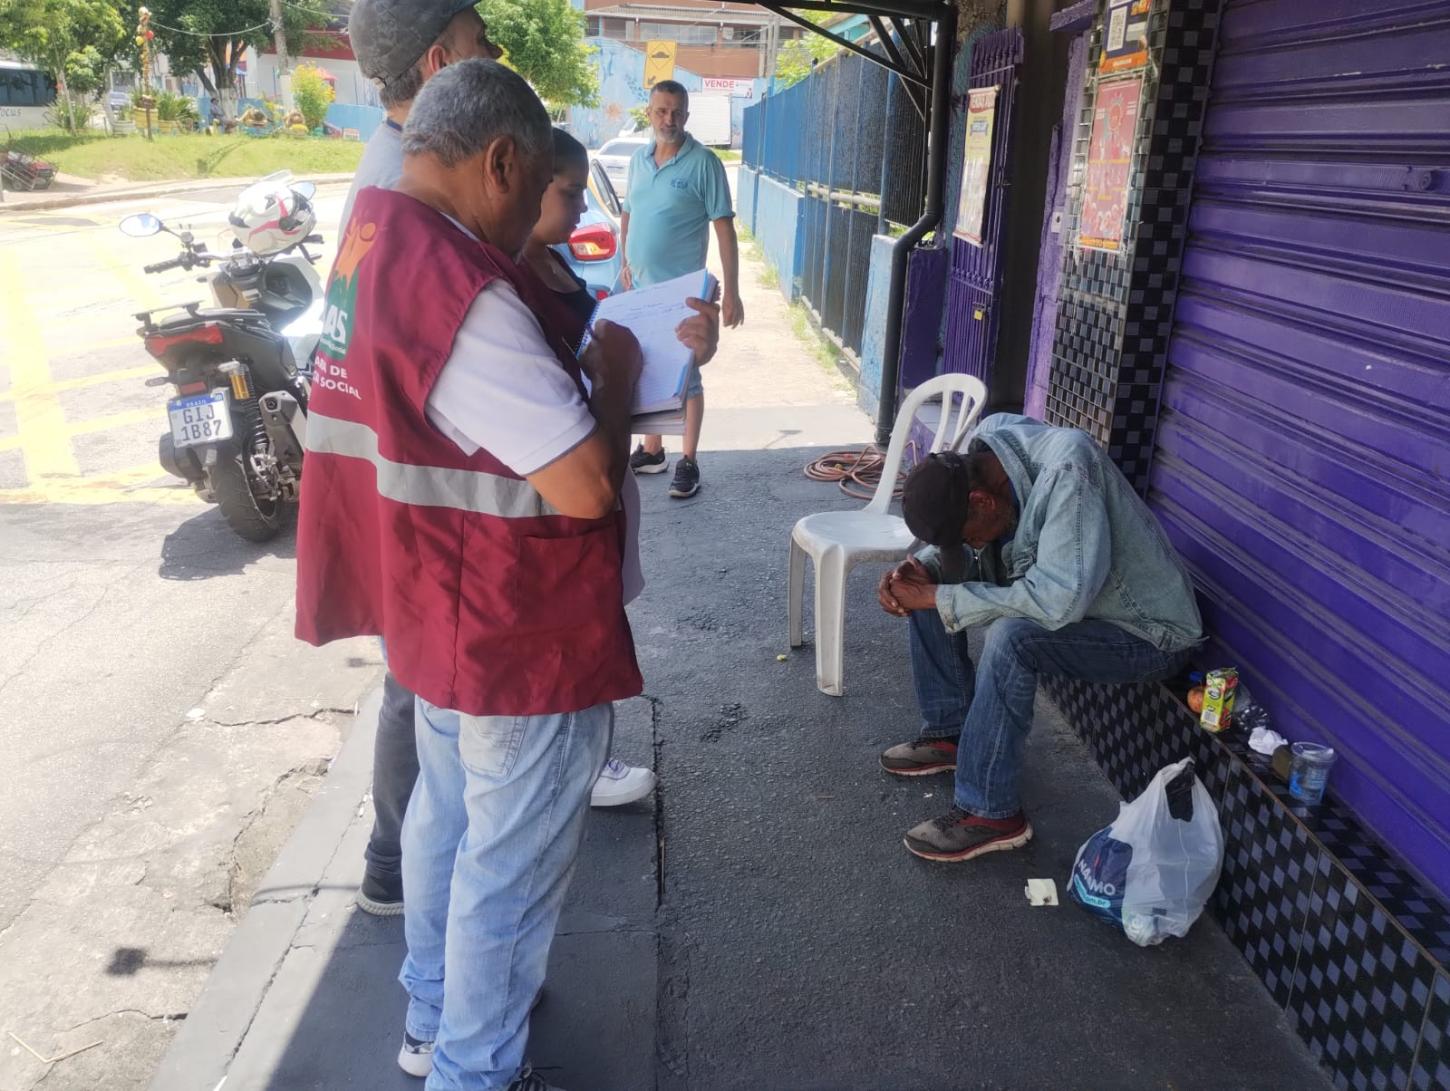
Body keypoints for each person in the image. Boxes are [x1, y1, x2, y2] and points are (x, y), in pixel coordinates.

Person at [341, 0, 650, 921]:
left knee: (448, 822)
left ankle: (438, 1025)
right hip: (503, 613)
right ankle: (474, 1064)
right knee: (503, 874)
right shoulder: (449, 267)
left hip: (440, 590)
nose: (538, 217)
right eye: (543, 188)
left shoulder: (379, 215)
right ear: (502, 163)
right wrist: (618, 391)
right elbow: (586, 485)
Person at [875, 414, 1205, 862]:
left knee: (1010, 637)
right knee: (931, 586)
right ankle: (951, 732)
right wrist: (921, 574)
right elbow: (963, 561)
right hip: (1088, 612)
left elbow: (1058, 602)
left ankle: (990, 812)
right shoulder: (991, 450)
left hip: (1147, 634)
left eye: (967, 538)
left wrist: (938, 594)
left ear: (982, 500)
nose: (970, 546)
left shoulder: (1068, 469)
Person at [620, 79, 743, 499]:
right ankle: (653, 451)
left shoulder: (704, 163)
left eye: (675, 112)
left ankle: (688, 460)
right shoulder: (638, 160)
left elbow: (724, 228)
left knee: (686, 376)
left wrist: (733, 292)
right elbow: (628, 214)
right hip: (640, 290)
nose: (667, 119)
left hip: (684, 293)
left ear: (686, 117)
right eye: (660, 111)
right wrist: (624, 262)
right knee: (649, 370)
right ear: (649, 113)